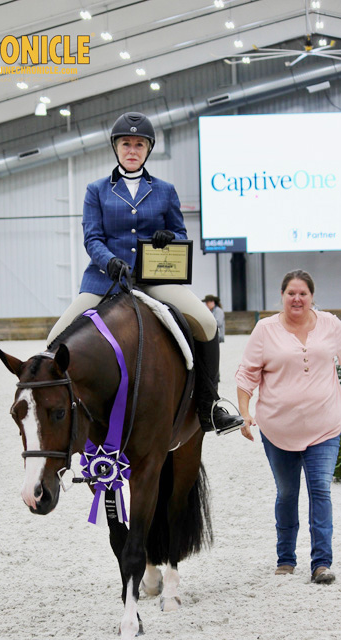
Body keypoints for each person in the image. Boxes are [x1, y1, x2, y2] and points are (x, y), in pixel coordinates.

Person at [47, 111, 243, 435]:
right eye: (126, 143)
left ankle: (211, 404)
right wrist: (109, 261)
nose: (132, 150)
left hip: (156, 278)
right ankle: (65, 412)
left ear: (148, 149)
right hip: (105, 278)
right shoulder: (96, 190)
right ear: (116, 147)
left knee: (207, 323)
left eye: (139, 144)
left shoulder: (164, 190)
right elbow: (92, 237)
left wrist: (171, 238)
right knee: (56, 337)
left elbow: (179, 233)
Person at [235, 270, 341, 584]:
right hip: (278, 430)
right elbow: (246, 375)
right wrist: (244, 413)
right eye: (291, 293)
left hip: (325, 426)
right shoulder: (264, 330)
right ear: (282, 296)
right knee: (286, 493)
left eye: (303, 294)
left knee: (321, 490)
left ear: (312, 297)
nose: (296, 299)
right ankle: (285, 558)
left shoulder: (332, 325)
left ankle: (321, 563)